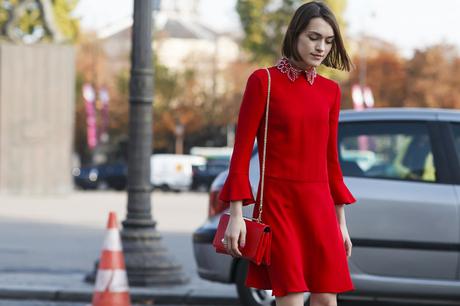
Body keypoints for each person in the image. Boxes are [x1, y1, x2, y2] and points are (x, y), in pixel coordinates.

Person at [218, 2, 357, 306]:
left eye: (328, 41)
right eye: (314, 37)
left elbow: (331, 162)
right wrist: (236, 216)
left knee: (326, 298)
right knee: (291, 297)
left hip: (319, 206)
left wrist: (340, 222)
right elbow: (240, 154)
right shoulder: (263, 81)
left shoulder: (330, 91)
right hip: (279, 206)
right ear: (294, 34)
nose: (321, 48)